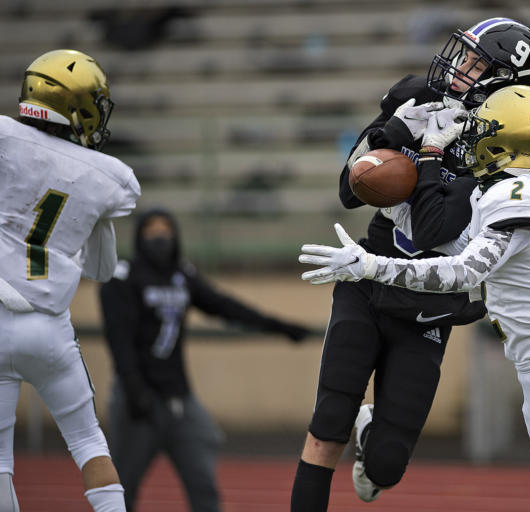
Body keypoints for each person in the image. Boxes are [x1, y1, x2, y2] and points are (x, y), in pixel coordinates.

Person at [299, 85, 530, 511]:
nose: (471, 138)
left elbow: (463, 272)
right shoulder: (495, 196)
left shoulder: (524, 195)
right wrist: (398, 195)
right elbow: (441, 247)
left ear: (504, 142)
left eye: (484, 131)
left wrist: (369, 265)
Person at [289, 17, 530, 510]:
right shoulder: (414, 95)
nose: (459, 65)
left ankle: (373, 434)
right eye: (465, 53)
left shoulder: (498, 145)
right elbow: (349, 190)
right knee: (328, 426)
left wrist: (429, 151)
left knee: (386, 466)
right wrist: (392, 132)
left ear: (504, 82)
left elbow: (436, 229)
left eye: (476, 62)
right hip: (365, 282)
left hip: (428, 308)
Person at [0, 49, 140, 511]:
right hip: (48, 330)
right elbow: (101, 270)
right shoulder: (105, 177)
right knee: (88, 444)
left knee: (0, 461)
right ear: (79, 107)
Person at [99, 208, 312, 512]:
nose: (160, 237)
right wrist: (134, 389)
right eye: (151, 230)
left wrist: (279, 326)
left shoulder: (180, 274)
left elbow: (223, 305)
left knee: (203, 484)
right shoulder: (124, 277)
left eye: (165, 230)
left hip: (180, 399)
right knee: (121, 491)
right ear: (138, 235)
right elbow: (118, 341)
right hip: (139, 399)